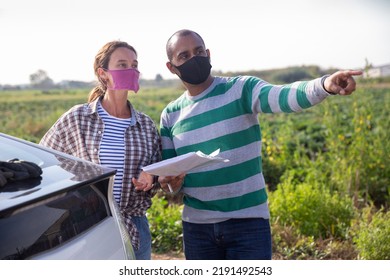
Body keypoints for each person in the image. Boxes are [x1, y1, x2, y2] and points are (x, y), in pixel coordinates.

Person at [160, 29, 363, 260]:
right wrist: (170, 184)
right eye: (184, 56)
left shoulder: (241, 90)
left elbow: (284, 96)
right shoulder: (170, 115)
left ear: (208, 54)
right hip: (197, 229)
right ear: (172, 67)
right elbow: (170, 180)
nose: (194, 59)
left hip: (247, 225)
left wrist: (324, 84)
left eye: (198, 52)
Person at [39, 41, 162, 260]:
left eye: (134, 65)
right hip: (87, 227)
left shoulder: (146, 125)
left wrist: (152, 177)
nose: (131, 70)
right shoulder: (77, 119)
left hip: (134, 227)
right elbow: (44, 160)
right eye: (122, 64)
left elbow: (159, 173)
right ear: (103, 74)